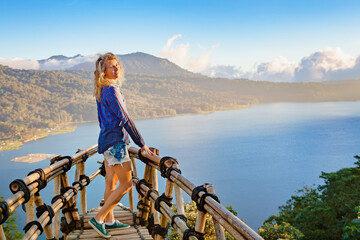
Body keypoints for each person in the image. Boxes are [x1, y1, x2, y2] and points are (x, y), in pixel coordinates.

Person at [89, 52, 153, 238]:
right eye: (111, 66)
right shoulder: (112, 91)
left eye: (117, 65)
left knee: (111, 182)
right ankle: (99, 218)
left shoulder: (102, 90)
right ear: (104, 71)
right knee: (126, 184)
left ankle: (109, 221)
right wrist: (142, 144)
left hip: (107, 141)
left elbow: (104, 121)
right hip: (116, 143)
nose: (116, 69)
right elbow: (125, 119)